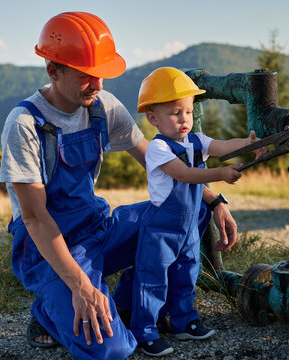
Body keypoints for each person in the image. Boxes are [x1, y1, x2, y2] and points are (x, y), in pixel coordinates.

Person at [0, 12, 240, 360]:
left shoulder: (102, 106)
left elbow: (158, 162)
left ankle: (126, 302)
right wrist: (81, 286)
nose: (97, 86)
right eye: (86, 76)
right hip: (47, 249)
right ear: (54, 70)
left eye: (100, 75)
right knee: (112, 349)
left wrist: (216, 201)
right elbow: (36, 219)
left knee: (192, 206)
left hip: (98, 230)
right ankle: (49, 310)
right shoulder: (24, 124)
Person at [111, 67, 263, 357]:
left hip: (188, 227)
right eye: (175, 113)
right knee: (152, 277)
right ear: (153, 118)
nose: (184, 120)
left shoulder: (196, 140)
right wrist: (220, 174)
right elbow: (183, 174)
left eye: (188, 112)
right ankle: (144, 331)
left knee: (186, 272)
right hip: (161, 228)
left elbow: (221, 146)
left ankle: (184, 321)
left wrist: (248, 144)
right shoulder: (158, 148)